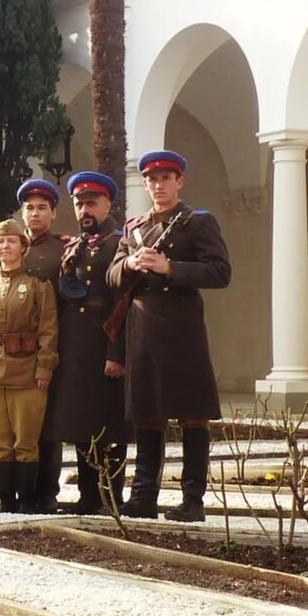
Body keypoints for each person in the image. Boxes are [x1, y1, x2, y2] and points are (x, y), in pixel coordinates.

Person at [107, 150, 231, 522]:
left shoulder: (197, 223)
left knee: (193, 416)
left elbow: (220, 272)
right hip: (143, 329)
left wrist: (170, 266)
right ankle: (144, 496)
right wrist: (128, 264)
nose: (158, 185)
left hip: (182, 328)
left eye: (166, 178)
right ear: (145, 183)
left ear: (180, 182)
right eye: (152, 179)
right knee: (147, 414)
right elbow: (111, 277)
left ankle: (193, 500)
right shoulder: (133, 229)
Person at [43, 172, 130, 514]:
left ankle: (111, 496)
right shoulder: (75, 246)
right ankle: (88, 495)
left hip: (105, 341)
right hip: (75, 345)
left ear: (108, 204)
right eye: (79, 204)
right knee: (81, 422)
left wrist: (116, 352)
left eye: (91, 203)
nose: (85, 210)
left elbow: (123, 303)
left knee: (110, 423)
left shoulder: (118, 244)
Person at [0, 219, 58, 513]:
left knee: (26, 442)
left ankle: (27, 502)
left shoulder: (38, 287)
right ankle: (5, 501)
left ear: (23, 247)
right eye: (1, 241)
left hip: (27, 372)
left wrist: (44, 368)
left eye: (12, 241)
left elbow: (48, 331)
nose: (6, 246)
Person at [18, 178, 71, 513]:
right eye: (29, 208)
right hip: (14, 349)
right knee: (22, 420)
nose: (35, 214)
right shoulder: (10, 246)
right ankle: (23, 489)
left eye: (41, 208)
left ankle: (47, 491)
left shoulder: (63, 248)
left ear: (53, 212)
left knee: (49, 422)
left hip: (51, 342)